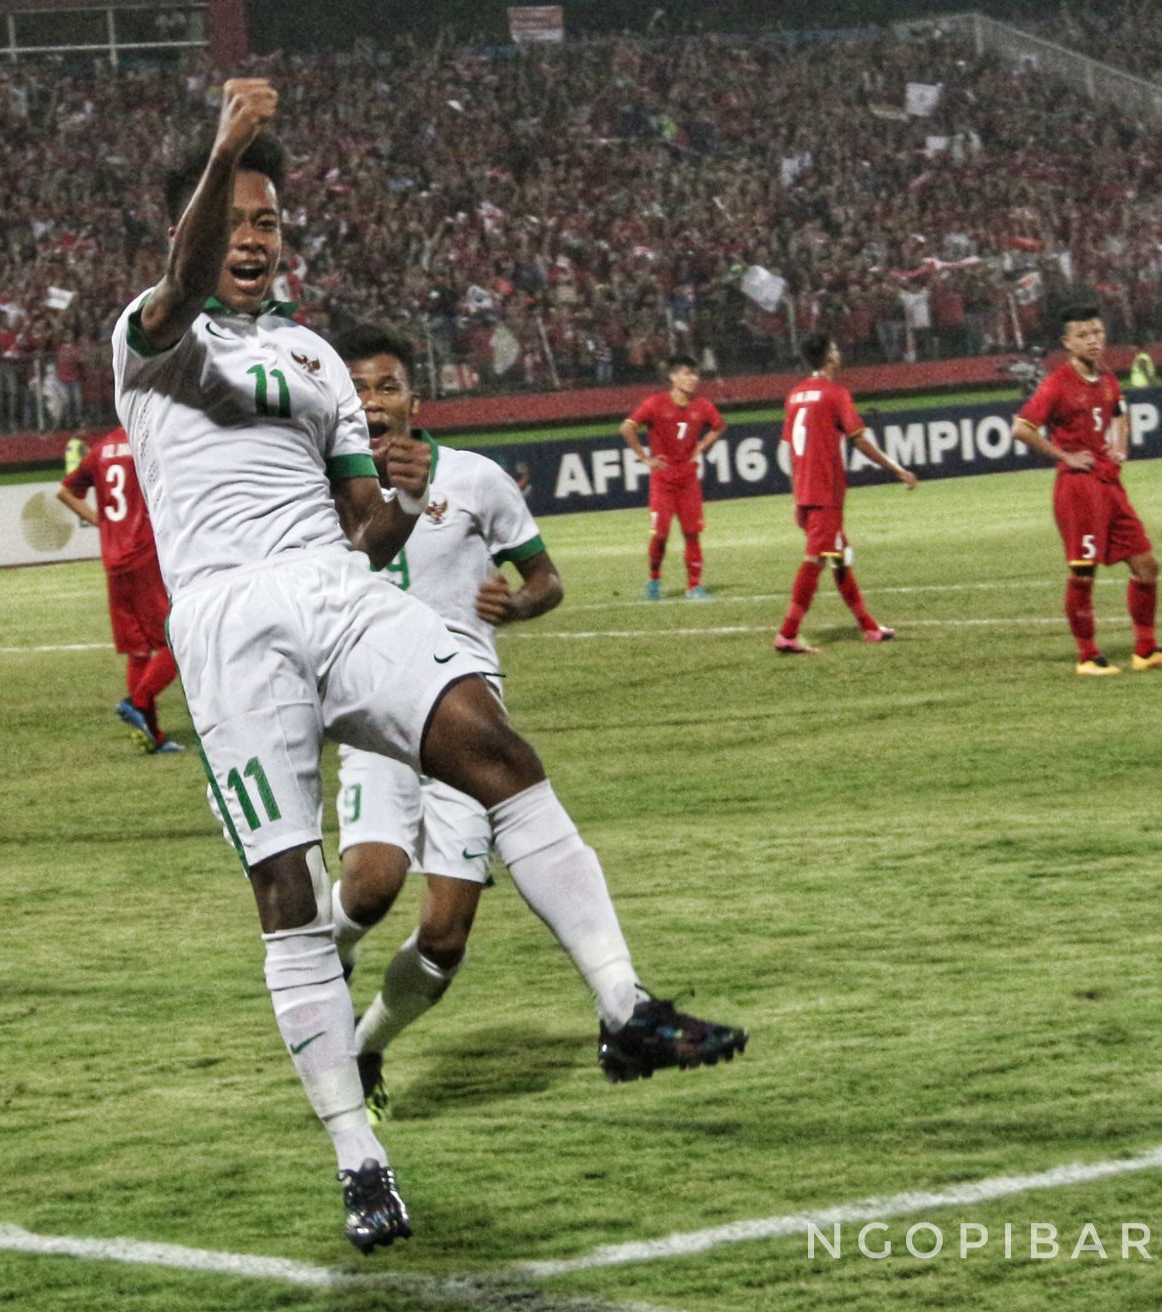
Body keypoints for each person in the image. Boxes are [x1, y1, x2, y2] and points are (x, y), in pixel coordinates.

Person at [112, 80, 746, 1255]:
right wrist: (224, 150)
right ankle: (358, 1154)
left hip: (333, 588)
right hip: (227, 622)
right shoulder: (149, 336)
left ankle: (622, 1007)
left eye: (269, 223)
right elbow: (186, 269)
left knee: (495, 748)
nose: (254, 240)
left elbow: (364, 519)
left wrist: (396, 496)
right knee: (289, 897)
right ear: (195, 226)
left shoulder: (311, 356)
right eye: (236, 219)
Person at [325, 325, 567, 1125]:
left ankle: (365, 1046)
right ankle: (332, 958)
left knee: (446, 937)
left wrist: (520, 603)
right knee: (370, 885)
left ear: (414, 400)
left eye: (386, 386)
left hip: (463, 720)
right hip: (375, 716)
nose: (371, 401)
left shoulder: (474, 479)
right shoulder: (315, 490)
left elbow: (545, 579)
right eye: (356, 389)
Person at [1012, 305, 1162, 676]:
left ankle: (1146, 650)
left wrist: (1119, 443)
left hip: (1110, 483)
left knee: (1146, 566)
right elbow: (1021, 428)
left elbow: (1120, 411)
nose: (1093, 340)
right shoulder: (1057, 384)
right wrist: (1064, 455)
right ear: (1067, 343)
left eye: (1097, 333)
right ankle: (1088, 657)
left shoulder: (1107, 377)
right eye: (1083, 335)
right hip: (1079, 489)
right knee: (1083, 572)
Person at [774, 333, 919, 654]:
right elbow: (861, 440)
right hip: (825, 491)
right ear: (828, 357)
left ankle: (869, 627)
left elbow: (786, 451)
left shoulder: (795, 395)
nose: (839, 352)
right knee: (816, 559)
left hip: (806, 490)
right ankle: (787, 634)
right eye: (836, 347)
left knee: (840, 557)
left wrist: (796, 496)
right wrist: (897, 469)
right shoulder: (834, 393)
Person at [55, 427, 183, 753]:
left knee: (137, 649)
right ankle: (138, 703)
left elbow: (65, 492)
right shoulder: (148, 443)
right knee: (178, 640)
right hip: (143, 554)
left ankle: (152, 736)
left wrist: (103, 522)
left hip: (114, 559)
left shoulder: (101, 449)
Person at [620, 356, 724, 599]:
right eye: (687, 374)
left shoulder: (703, 406)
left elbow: (719, 426)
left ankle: (694, 586)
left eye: (695, 374)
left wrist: (702, 446)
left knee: (692, 532)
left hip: (688, 480)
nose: (693, 379)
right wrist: (645, 458)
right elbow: (627, 427)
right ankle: (654, 579)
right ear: (673, 377)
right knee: (661, 533)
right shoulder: (655, 404)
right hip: (663, 481)